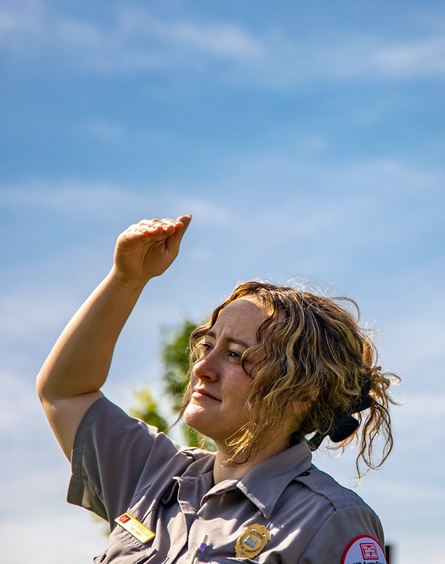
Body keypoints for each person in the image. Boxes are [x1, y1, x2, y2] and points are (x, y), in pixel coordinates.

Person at [37, 215, 397, 563]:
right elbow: (65, 391)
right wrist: (126, 279)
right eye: (208, 346)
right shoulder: (153, 474)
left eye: (237, 355)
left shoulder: (330, 520)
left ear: (302, 395)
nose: (201, 368)